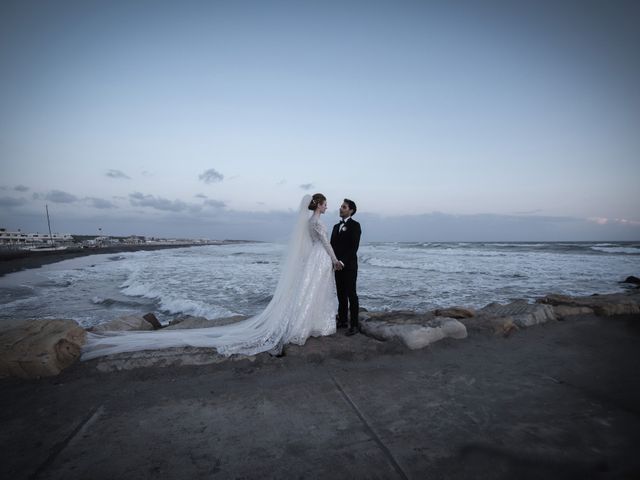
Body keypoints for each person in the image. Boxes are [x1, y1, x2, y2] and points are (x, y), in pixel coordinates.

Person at [81, 194, 341, 360]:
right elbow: (326, 244)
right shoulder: (317, 222)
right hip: (320, 258)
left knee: (310, 292)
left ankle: (309, 323)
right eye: (326, 202)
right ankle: (306, 325)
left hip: (314, 258)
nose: (328, 206)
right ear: (318, 204)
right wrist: (333, 259)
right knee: (313, 292)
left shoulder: (308, 222)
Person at [330, 198, 362, 336]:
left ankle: (354, 325)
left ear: (351, 210)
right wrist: (333, 262)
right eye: (341, 206)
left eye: (344, 207)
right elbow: (332, 246)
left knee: (351, 295)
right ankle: (342, 320)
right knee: (341, 295)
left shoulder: (355, 225)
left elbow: (353, 248)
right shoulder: (336, 227)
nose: (340, 208)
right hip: (337, 266)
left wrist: (342, 262)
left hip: (349, 266)